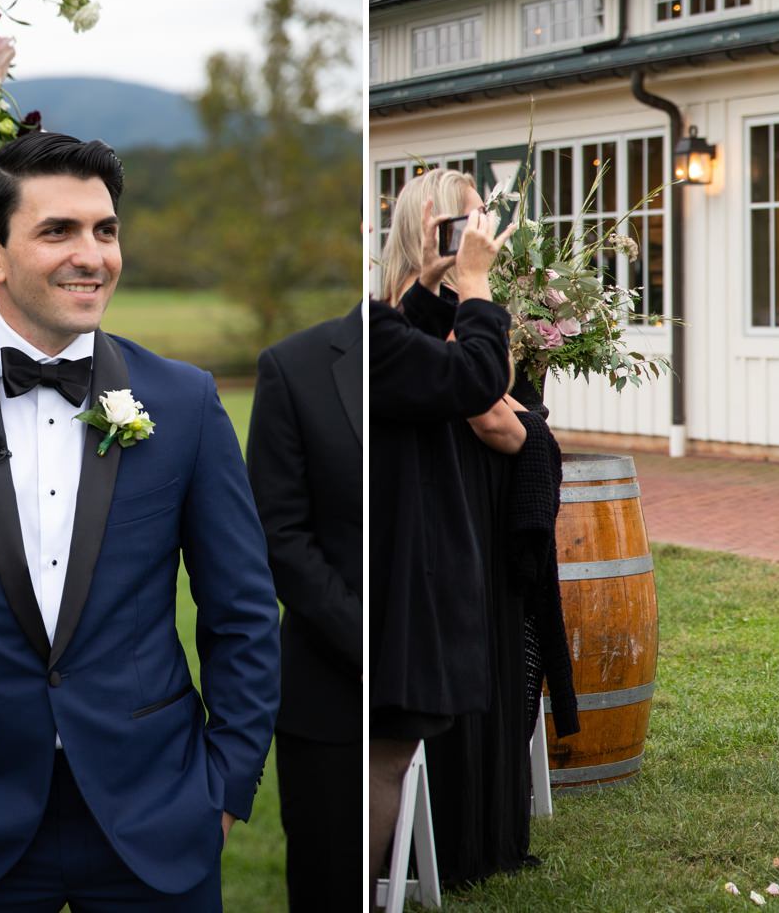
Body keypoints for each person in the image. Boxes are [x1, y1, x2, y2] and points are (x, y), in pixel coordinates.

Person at [0, 132, 281, 910]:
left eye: (105, 230)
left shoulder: (185, 403)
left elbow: (241, 613)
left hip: (157, 813)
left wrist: (225, 789)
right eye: (58, 231)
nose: (92, 255)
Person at [379, 168, 580, 886]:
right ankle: (458, 840)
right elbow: (489, 411)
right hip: (451, 520)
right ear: (428, 227)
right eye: (466, 222)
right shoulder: (414, 319)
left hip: (482, 516)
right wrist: (476, 288)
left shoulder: (431, 308)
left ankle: (491, 824)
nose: (482, 235)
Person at [367, 194, 517, 889]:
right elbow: (475, 379)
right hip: (402, 548)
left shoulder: (366, 331)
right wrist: (477, 285)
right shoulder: (369, 336)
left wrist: (426, 286)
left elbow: (406, 353)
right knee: (384, 758)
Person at [247, 302, 362, 908]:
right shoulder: (293, 367)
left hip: (452, 676)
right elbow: (279, 535)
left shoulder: (479, 357)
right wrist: (370, 645)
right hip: (331, 688)